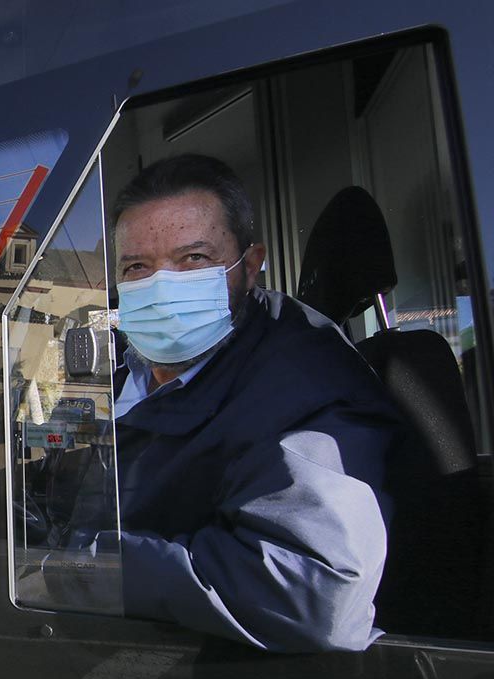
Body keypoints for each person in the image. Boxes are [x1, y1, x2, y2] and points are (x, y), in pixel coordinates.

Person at [103, 153, 402, 652]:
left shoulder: (306, 382)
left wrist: (91, 567)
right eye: (137, 266)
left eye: (193, 259)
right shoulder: (123, 364)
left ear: (251, 265)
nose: (160, 286)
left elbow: (310, 590)